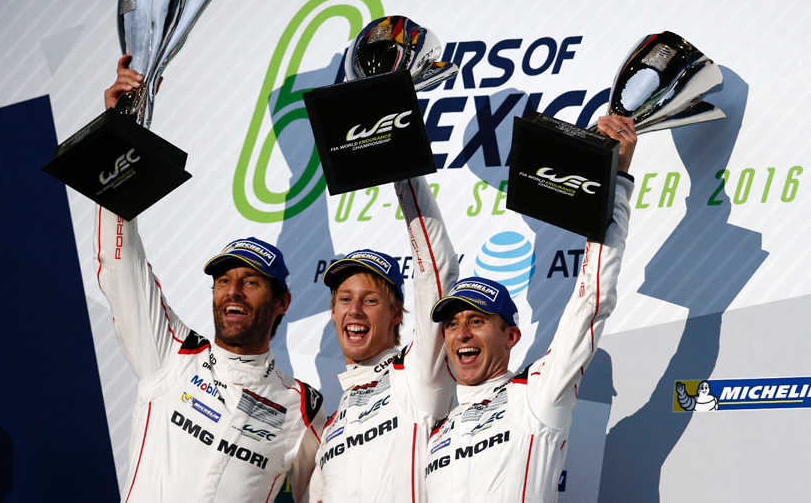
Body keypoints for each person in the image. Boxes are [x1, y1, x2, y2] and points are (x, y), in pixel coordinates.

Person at [96, 55, 325, 503]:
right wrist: (118, 132)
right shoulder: (172, 354)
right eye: (223, 281)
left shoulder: (302, 408)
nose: (232, 292)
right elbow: (118, 262)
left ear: (283, 302)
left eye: (251, 282)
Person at [423, 117, 637, 502]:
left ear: (511, 336)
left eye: (477, 320)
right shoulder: (437, 431)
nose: (462, 334)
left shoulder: (537, 394)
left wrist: (614, 183)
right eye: (452, 324)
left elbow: (593, 300)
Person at [308, 176, 459, 502]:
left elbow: (437, 273)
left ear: (396, 315)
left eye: (371, 300)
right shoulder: (332, 427)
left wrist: (404, 174)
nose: (355, 311)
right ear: (333, 314)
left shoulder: (417, 375)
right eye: (345, 300)